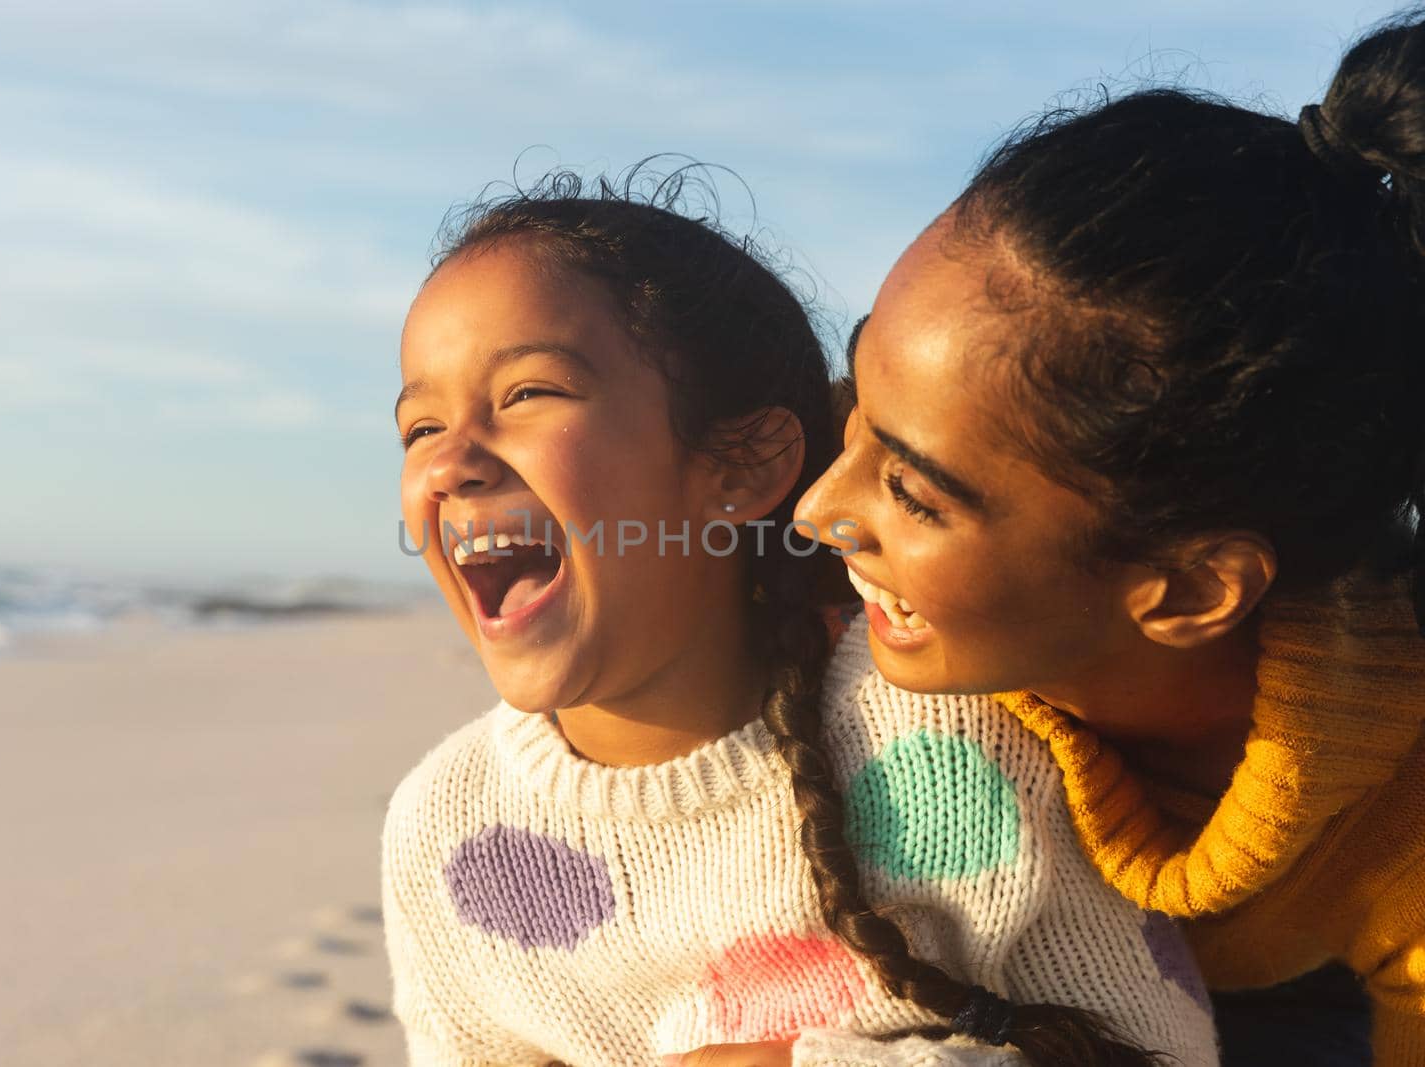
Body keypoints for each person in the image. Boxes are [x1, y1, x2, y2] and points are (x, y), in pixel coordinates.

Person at [382, 168, 1218, 1066]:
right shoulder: (443, 826)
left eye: (526, 395)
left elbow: (1157, 1047)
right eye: (419, 428)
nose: (451, 462)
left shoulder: (960, 728)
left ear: (742, 465)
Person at [794, 12, 1425, 1067]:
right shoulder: (795, 602)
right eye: (853, 407)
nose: (817, 509)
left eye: (910, 492)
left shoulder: (1400, 824)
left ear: (1185, 590)